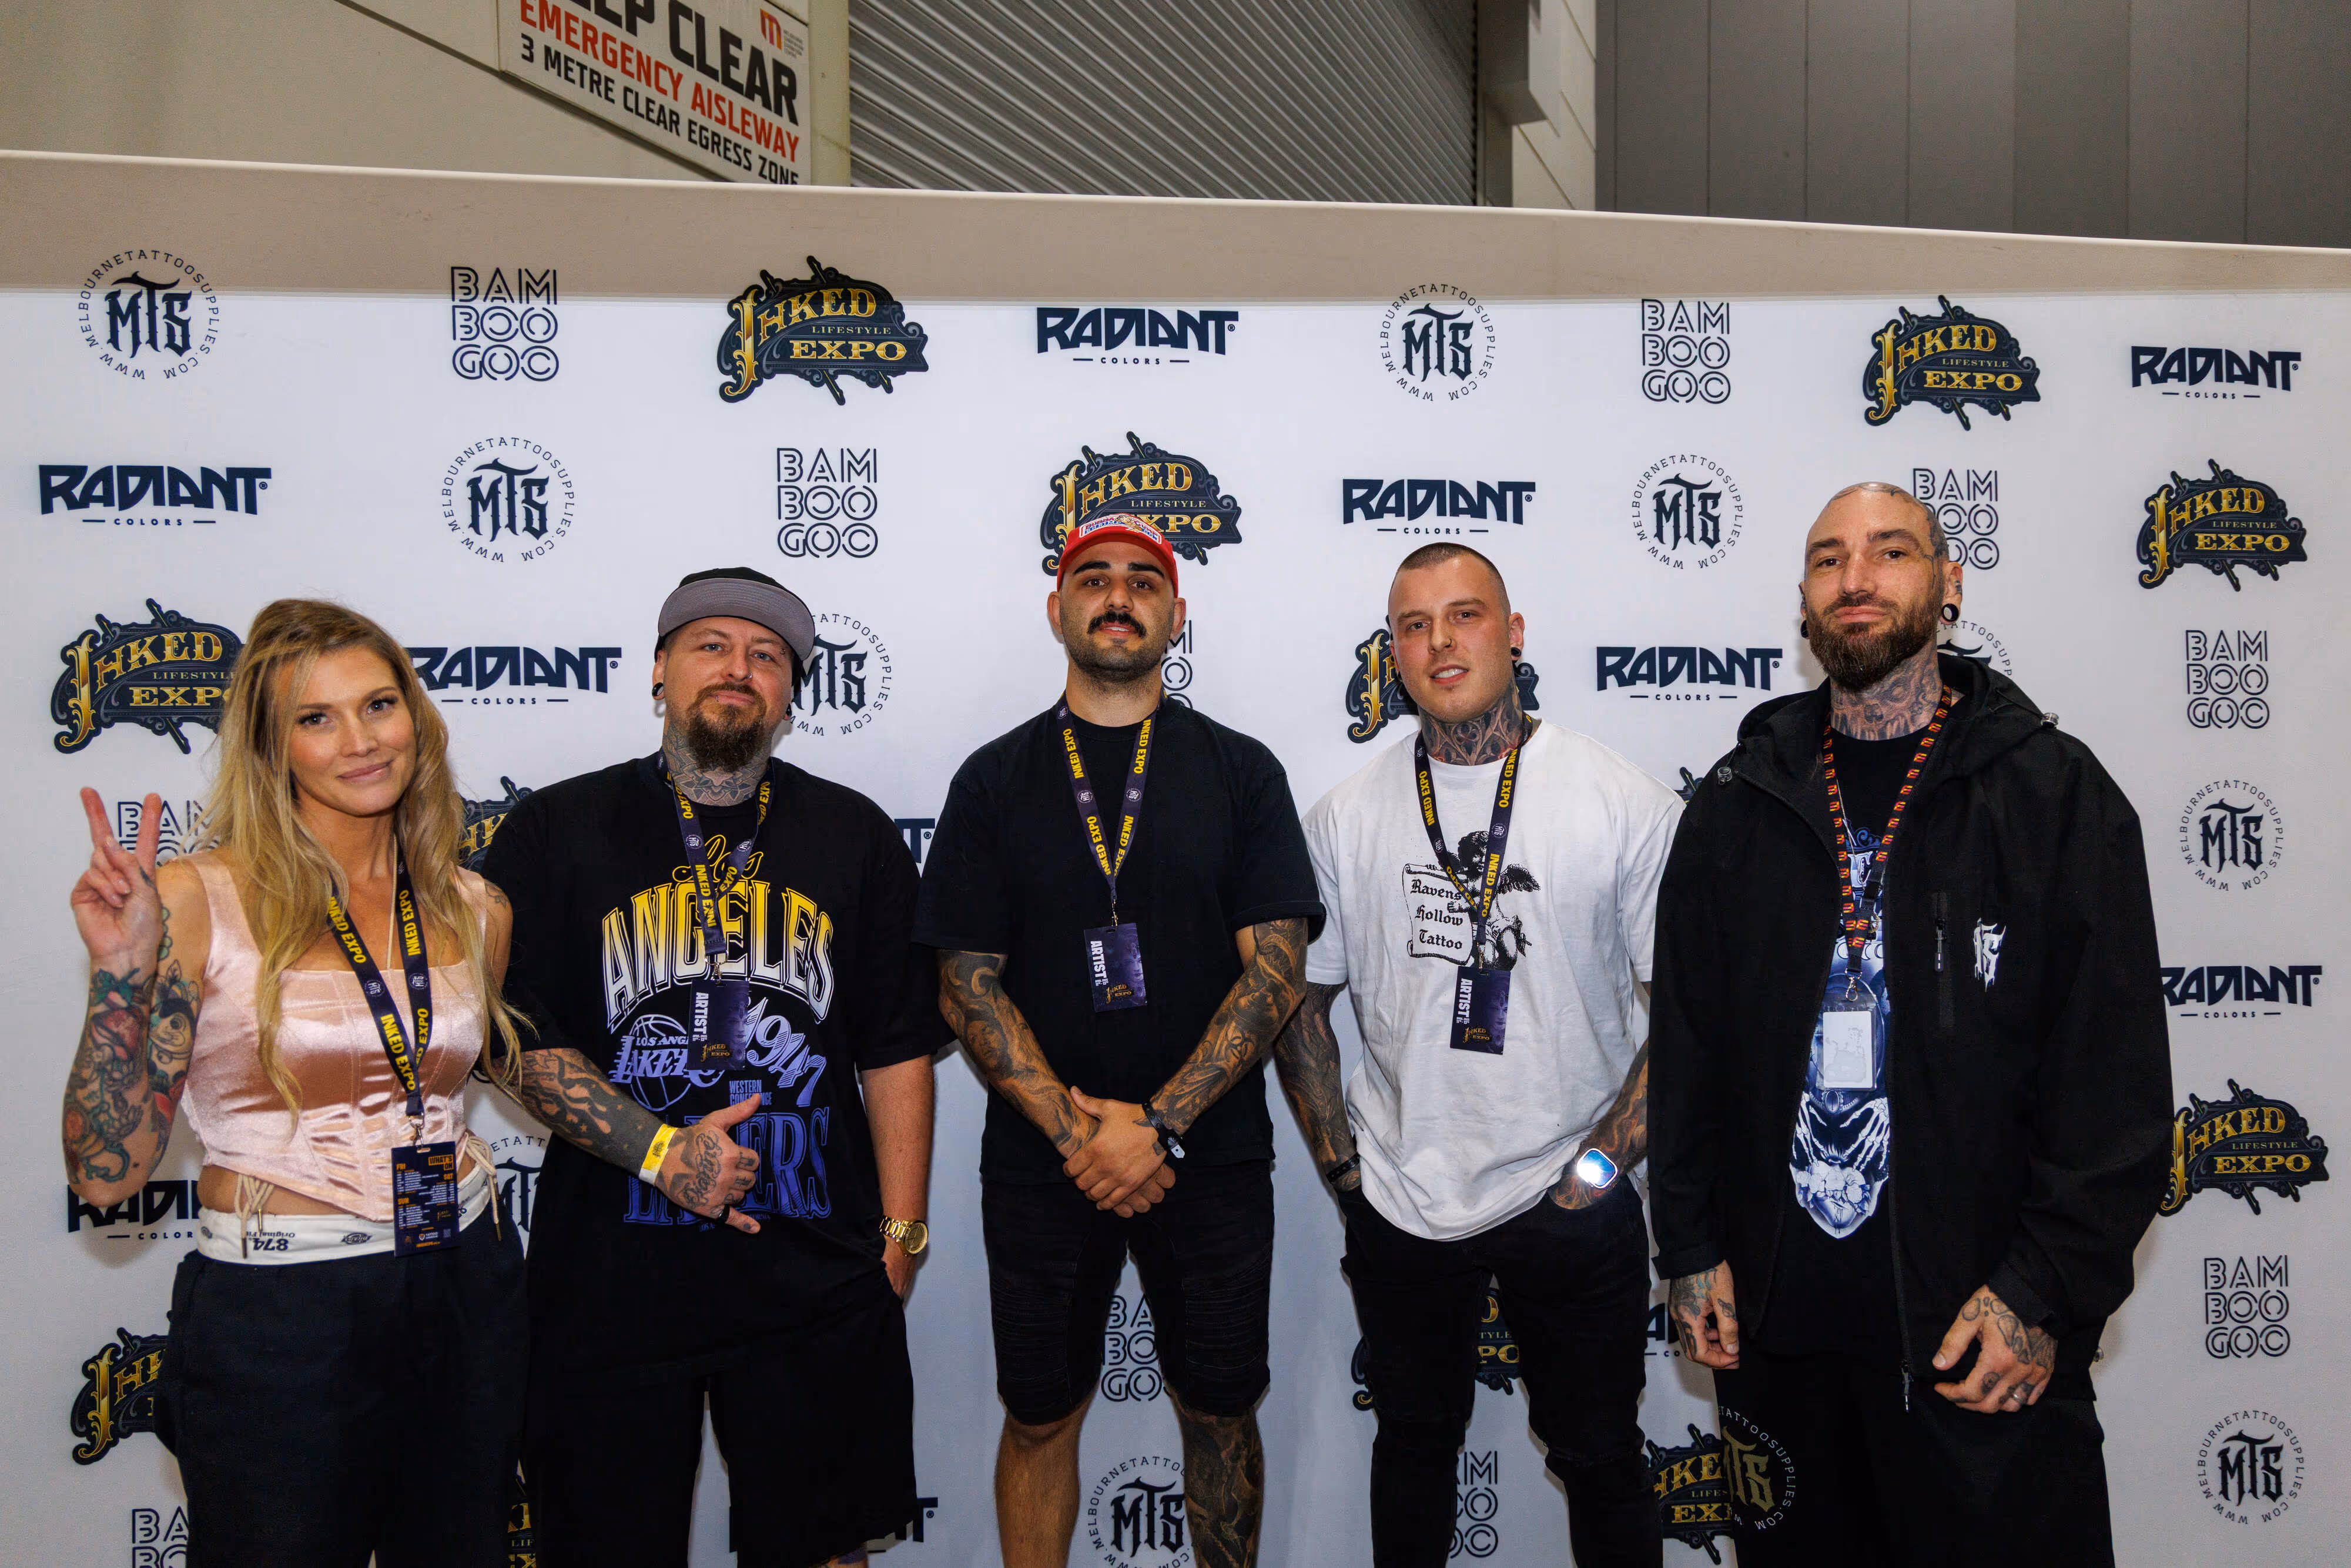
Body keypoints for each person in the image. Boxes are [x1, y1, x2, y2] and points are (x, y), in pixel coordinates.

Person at [1650, 483, 2171, 1567]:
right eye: (1829, 558)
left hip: (1981, 1335)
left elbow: (2114, 1093)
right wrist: (1692, 1247)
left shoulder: (2054, 798)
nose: (1856, 578)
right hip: (1782, 1341)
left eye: (1890, 552)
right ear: (1802, 598)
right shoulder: (1738, 804)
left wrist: (2039, 1292)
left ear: (1948, 586)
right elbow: (1691, 1055)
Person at [485, 567, 941, 1568]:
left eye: (767, 656)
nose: (739, 669)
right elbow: (510, 1037)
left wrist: (901, 1232)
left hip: (812, 1267)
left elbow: (897, 1047)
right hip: (611, 1273)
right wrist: (658, 1153)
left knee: (824, 1549)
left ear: (789, 694)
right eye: (711, 646)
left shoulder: (853, 834)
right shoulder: (553, 832)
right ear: (658, 670)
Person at [63, 598, 528, 1567]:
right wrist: (120, 974)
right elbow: (108, 1177)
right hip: (283, 1316)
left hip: (464, 1281)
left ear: (417, 719)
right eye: (316, 719)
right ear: (273, 749)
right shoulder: (196, 898)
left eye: (378, 705)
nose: (360, 741)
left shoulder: (475, 905)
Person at [916, 514, 1321, 1568]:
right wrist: (1081, 1135)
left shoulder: (1242, 771)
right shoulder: (993, 781)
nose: (1117, 596)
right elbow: (966, 985)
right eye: (1092, 578)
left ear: (1176, 614)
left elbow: (1274, 974)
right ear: (1056, 609)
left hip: (1214, 1160)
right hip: (1044, 1167)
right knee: (1041, 1416)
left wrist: (1162, 1127)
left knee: (1220, 1411)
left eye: (1144, 582)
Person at [1274, 542, 1676, 1568]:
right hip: (1403, 1198)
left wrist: (1596, 1171)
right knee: (1412, 1445)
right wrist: (1345, 1171)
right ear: (1392, 651)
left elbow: (1692, 1013)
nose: (1441, 643)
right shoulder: (1344, 818)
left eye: (1465, 616)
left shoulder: (1616, 797)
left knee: (1601, 1458)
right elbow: (1298, 1008)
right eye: (1414, 625)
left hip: (1569, 1194)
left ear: (1514, 632)